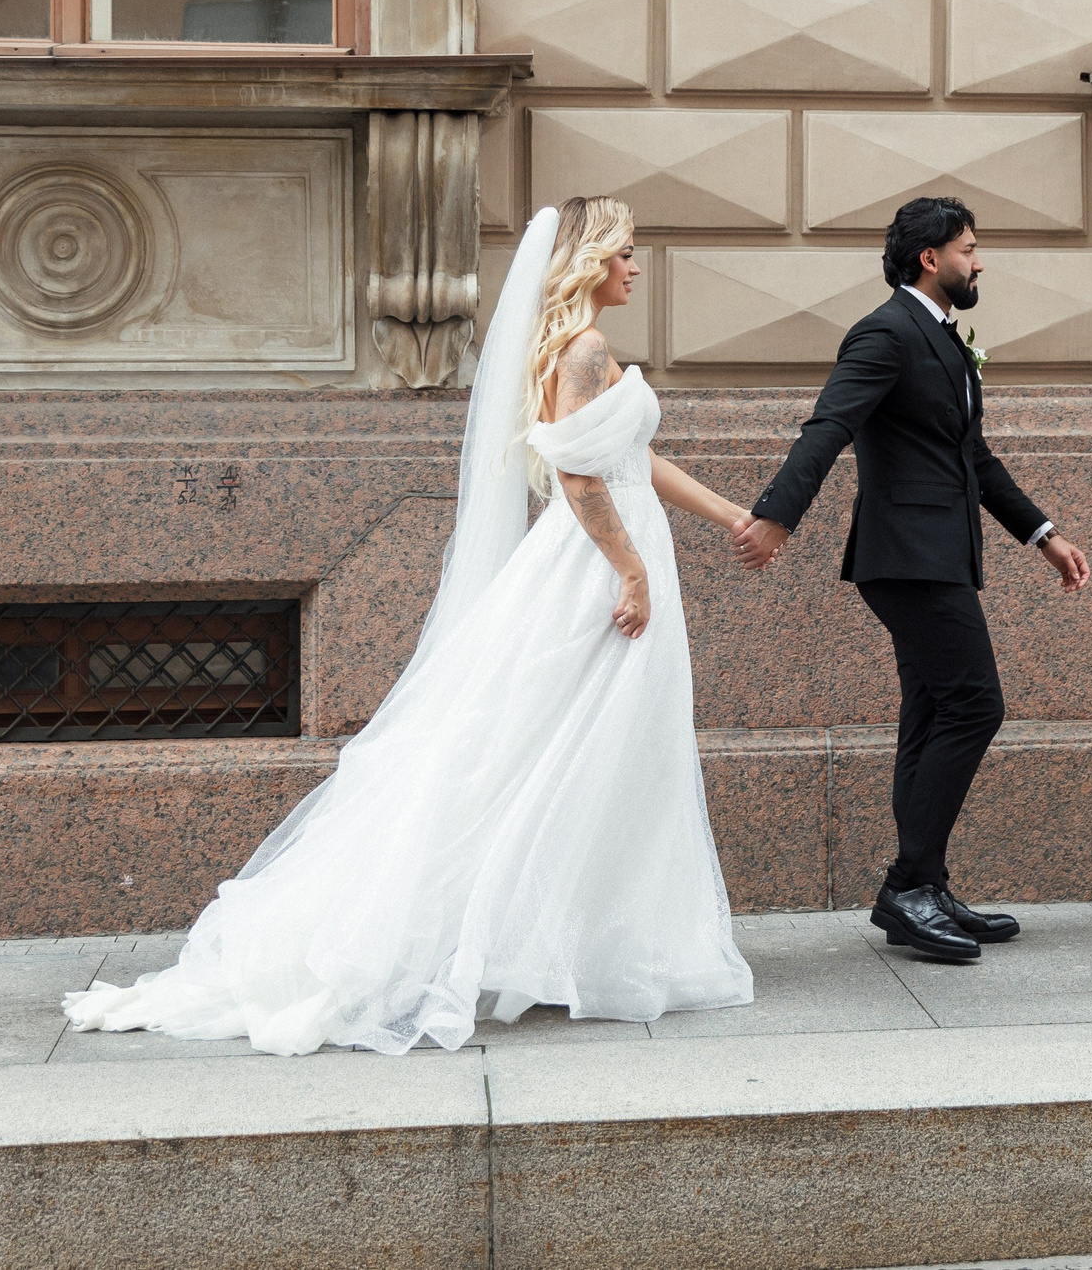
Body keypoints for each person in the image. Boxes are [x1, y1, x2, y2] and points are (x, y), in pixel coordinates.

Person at [62, 198, 756, 1054]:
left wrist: (728, 514)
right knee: (544, 750)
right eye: (625, 253)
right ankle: (514, 939)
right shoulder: (582, 348)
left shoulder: (581, 351)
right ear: (589, 261)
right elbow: (579, 476)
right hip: (595, 572)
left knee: (583, 748)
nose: (635, 268)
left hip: (606, 559)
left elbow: (628, 457)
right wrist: (634, 569)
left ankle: (571, 941)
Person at [732, 197, 1092, 963]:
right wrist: (777, 516)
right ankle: (907, 886)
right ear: (931, 258)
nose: (979, 260)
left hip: (937, 555)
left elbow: (976, 459)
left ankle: (925, 882)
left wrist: (1044, 534)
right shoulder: (885, 333)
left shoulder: (946, 342)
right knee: (975, 702)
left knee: (933, 709)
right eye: (969, 248)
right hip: (906, 558)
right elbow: (828, 425)